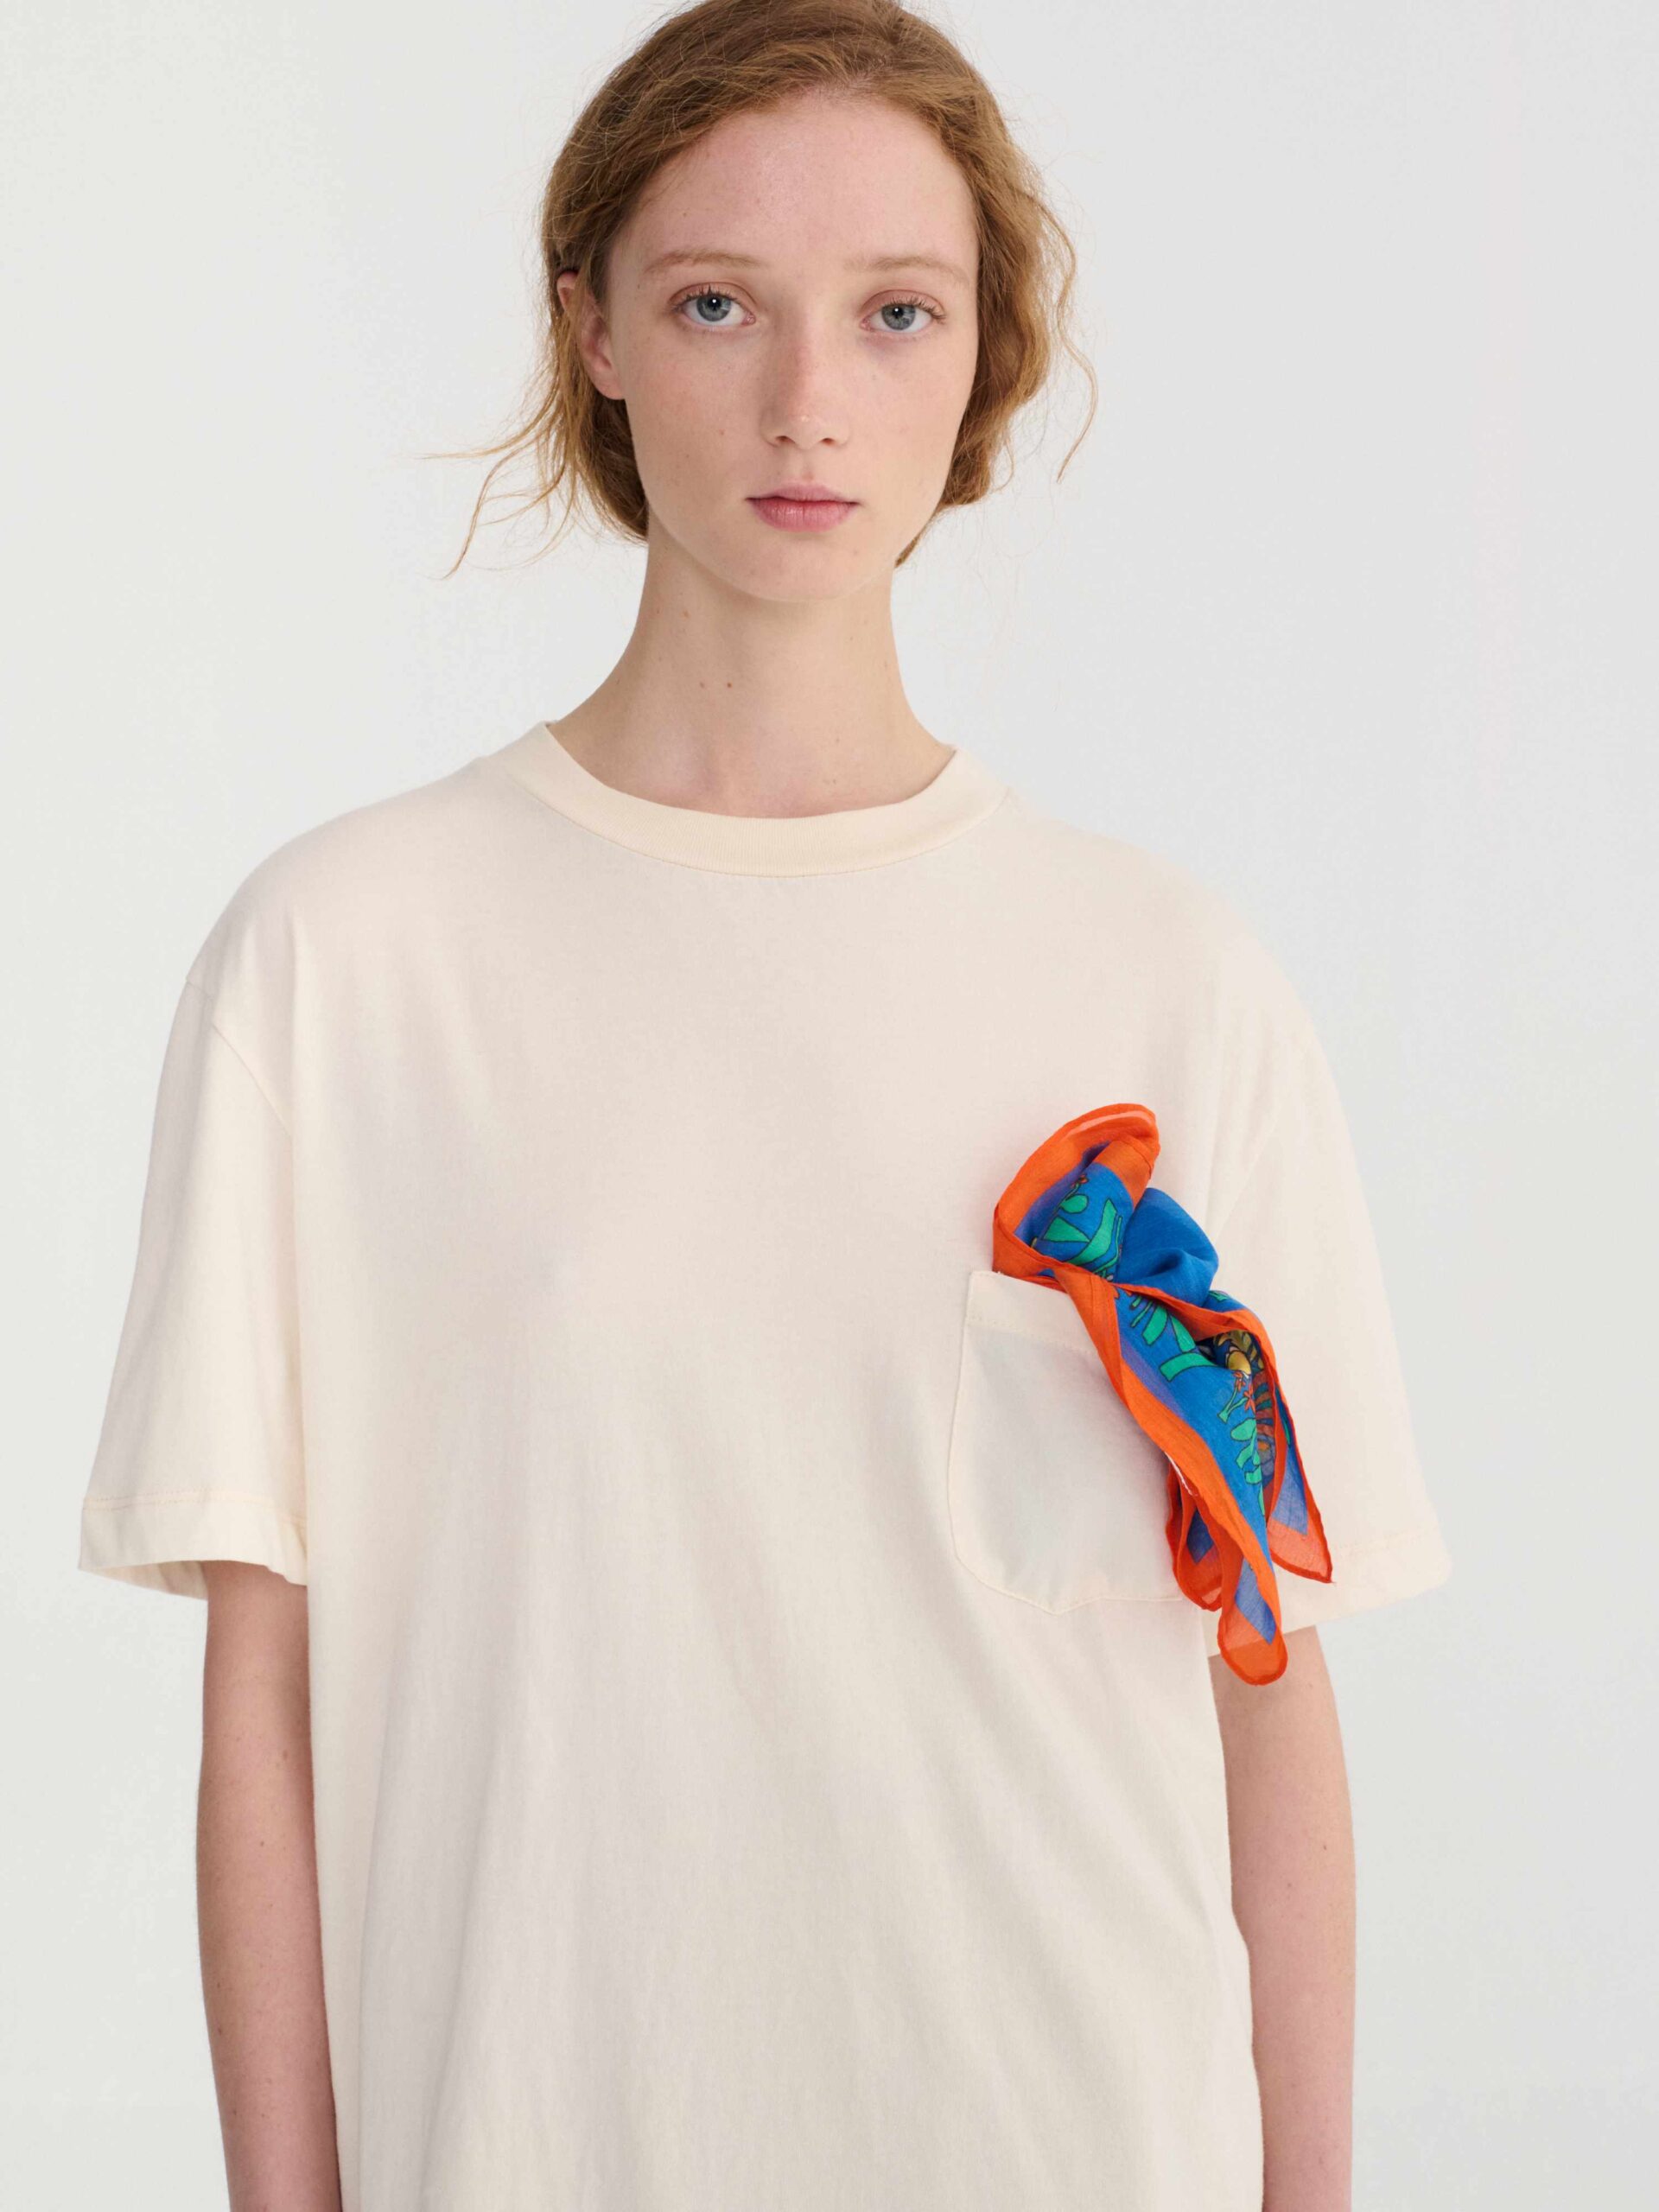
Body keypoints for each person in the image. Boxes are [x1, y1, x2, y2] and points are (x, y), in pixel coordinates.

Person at [76, 3, 1452, 2208]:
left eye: (895, 312)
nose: (810, 398)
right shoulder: (344, 961)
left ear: (979, 357)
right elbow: (270, 1700)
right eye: (720, 303)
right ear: (595, 332)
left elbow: (1266, 1678)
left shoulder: (1169, 978)